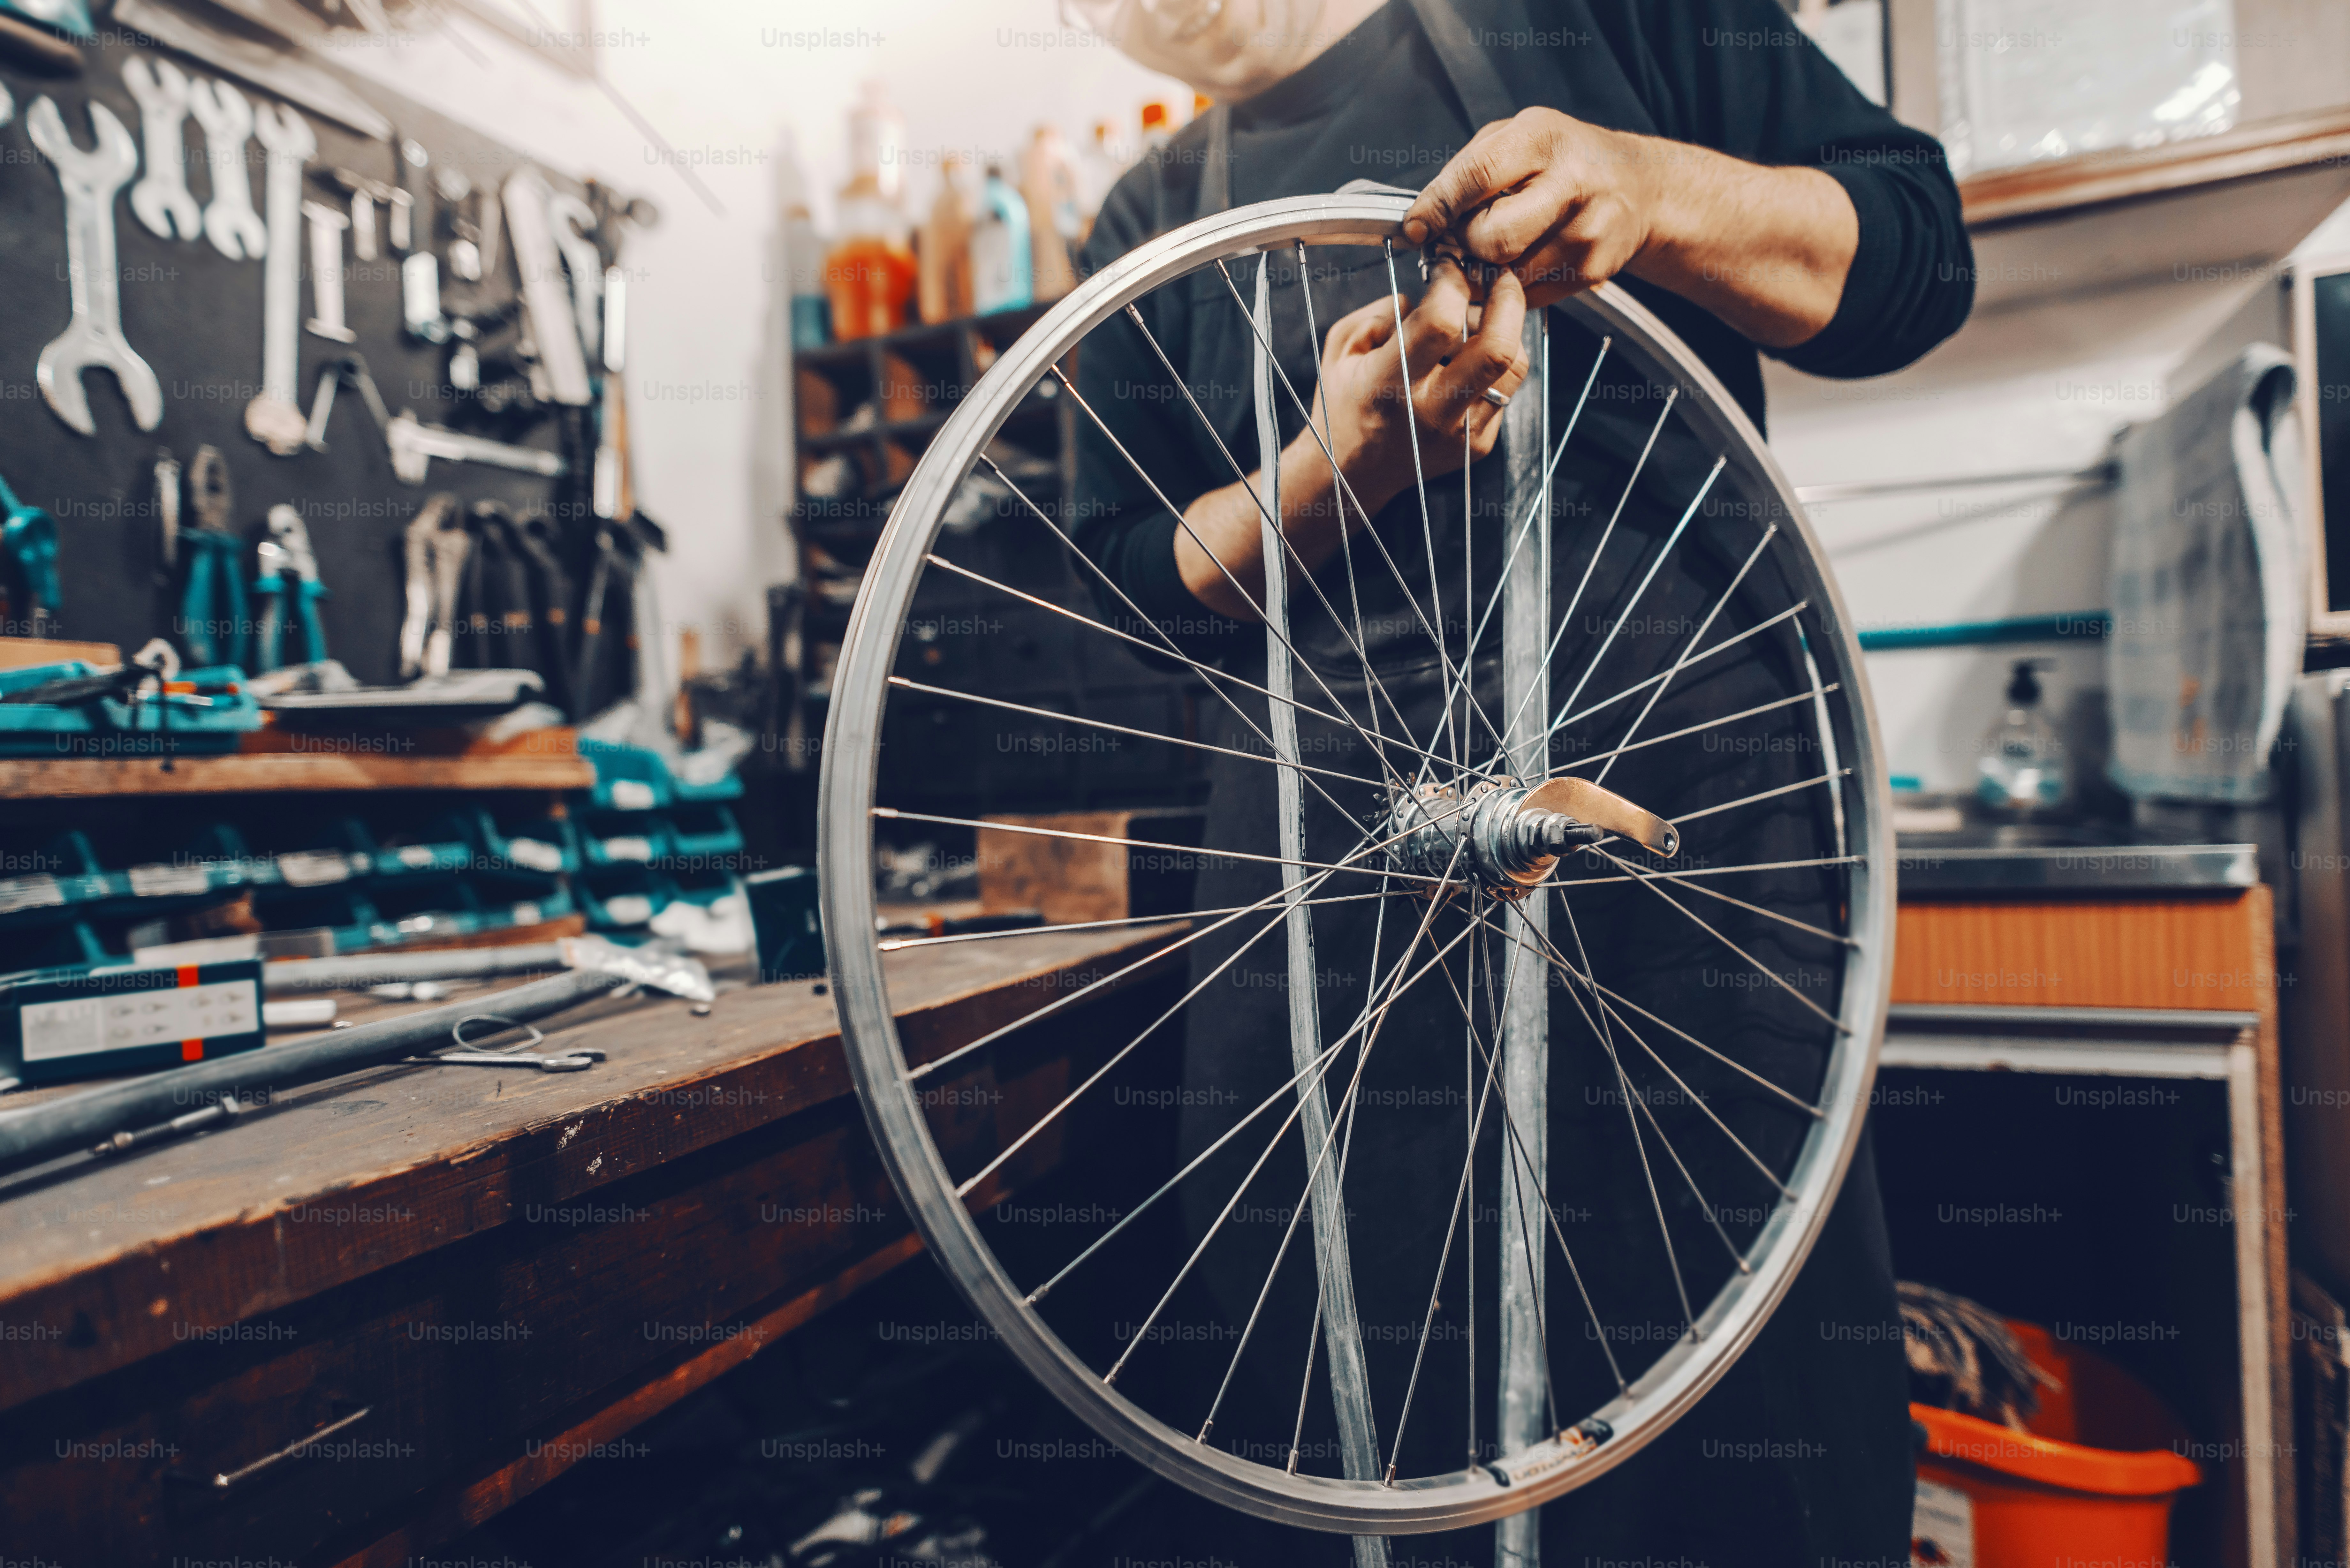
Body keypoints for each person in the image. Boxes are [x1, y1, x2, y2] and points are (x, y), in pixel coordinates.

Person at [1059, 3, 1973, 1564]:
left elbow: (1909, 258)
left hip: (1678, 847)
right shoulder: (1146, 218)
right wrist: (1335, 468)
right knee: (1362, 1405)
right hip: (1334, 891)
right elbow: (1137, 572)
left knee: (1737, 1401)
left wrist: (1656, 191)